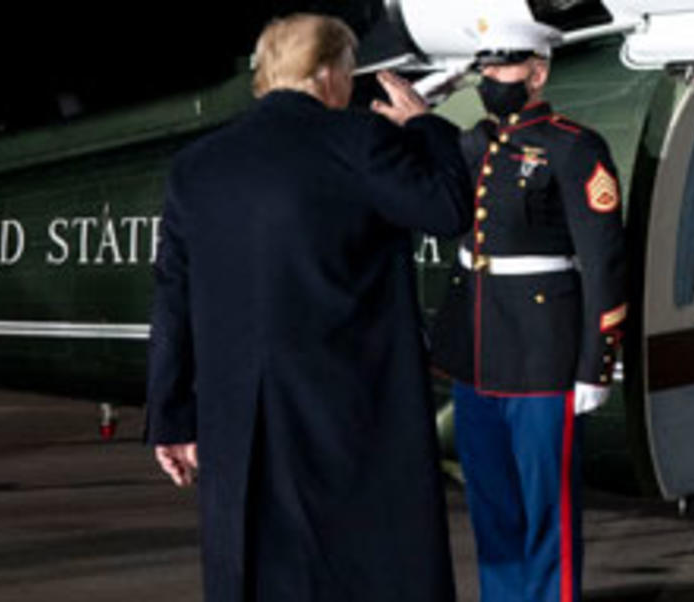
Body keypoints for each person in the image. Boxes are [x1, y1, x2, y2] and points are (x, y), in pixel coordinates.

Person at [145, 13, 473, 602]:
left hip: (237, 419)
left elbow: (172, 299)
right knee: (362, 569)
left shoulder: (196, 166)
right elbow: (448, 210)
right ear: (327, 72)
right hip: (348, 413)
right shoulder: (358, 140)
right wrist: (426, 128)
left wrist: (172, 418)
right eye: (349, 71)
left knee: (259, 571)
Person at [430, 21, 628, 602]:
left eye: (504, 66)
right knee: (492, 512)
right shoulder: (476, 142)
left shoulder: (574, 146)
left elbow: (604, 261)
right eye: (485, 67)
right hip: (480, 358)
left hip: (546, 359)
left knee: (548, 517)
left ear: (537, 71)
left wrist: (596, 364)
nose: (491, 77)